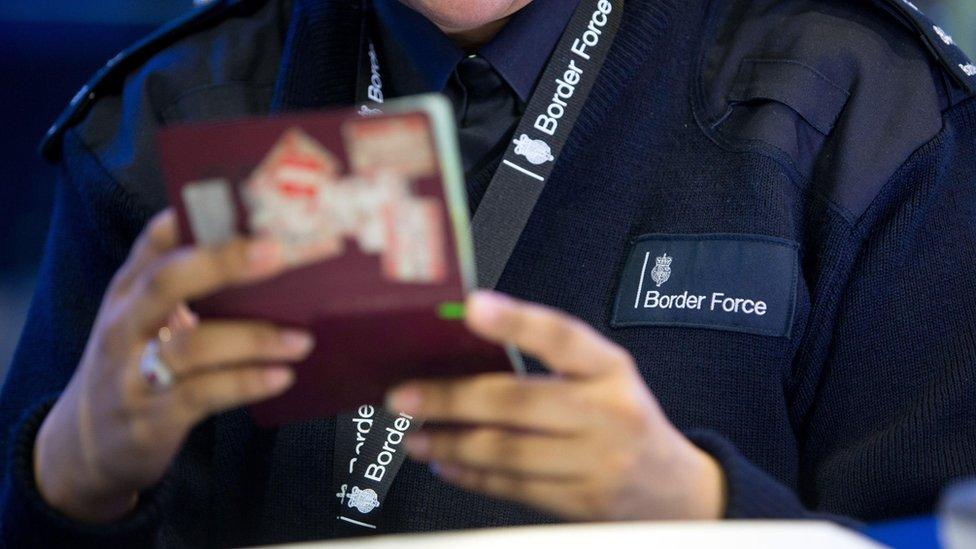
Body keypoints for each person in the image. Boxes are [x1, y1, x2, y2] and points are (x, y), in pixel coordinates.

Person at [1, 0, 975, 546]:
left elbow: (937, 528)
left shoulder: (864, 107)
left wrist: (704, 515)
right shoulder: (158, 122)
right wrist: (71, 480)